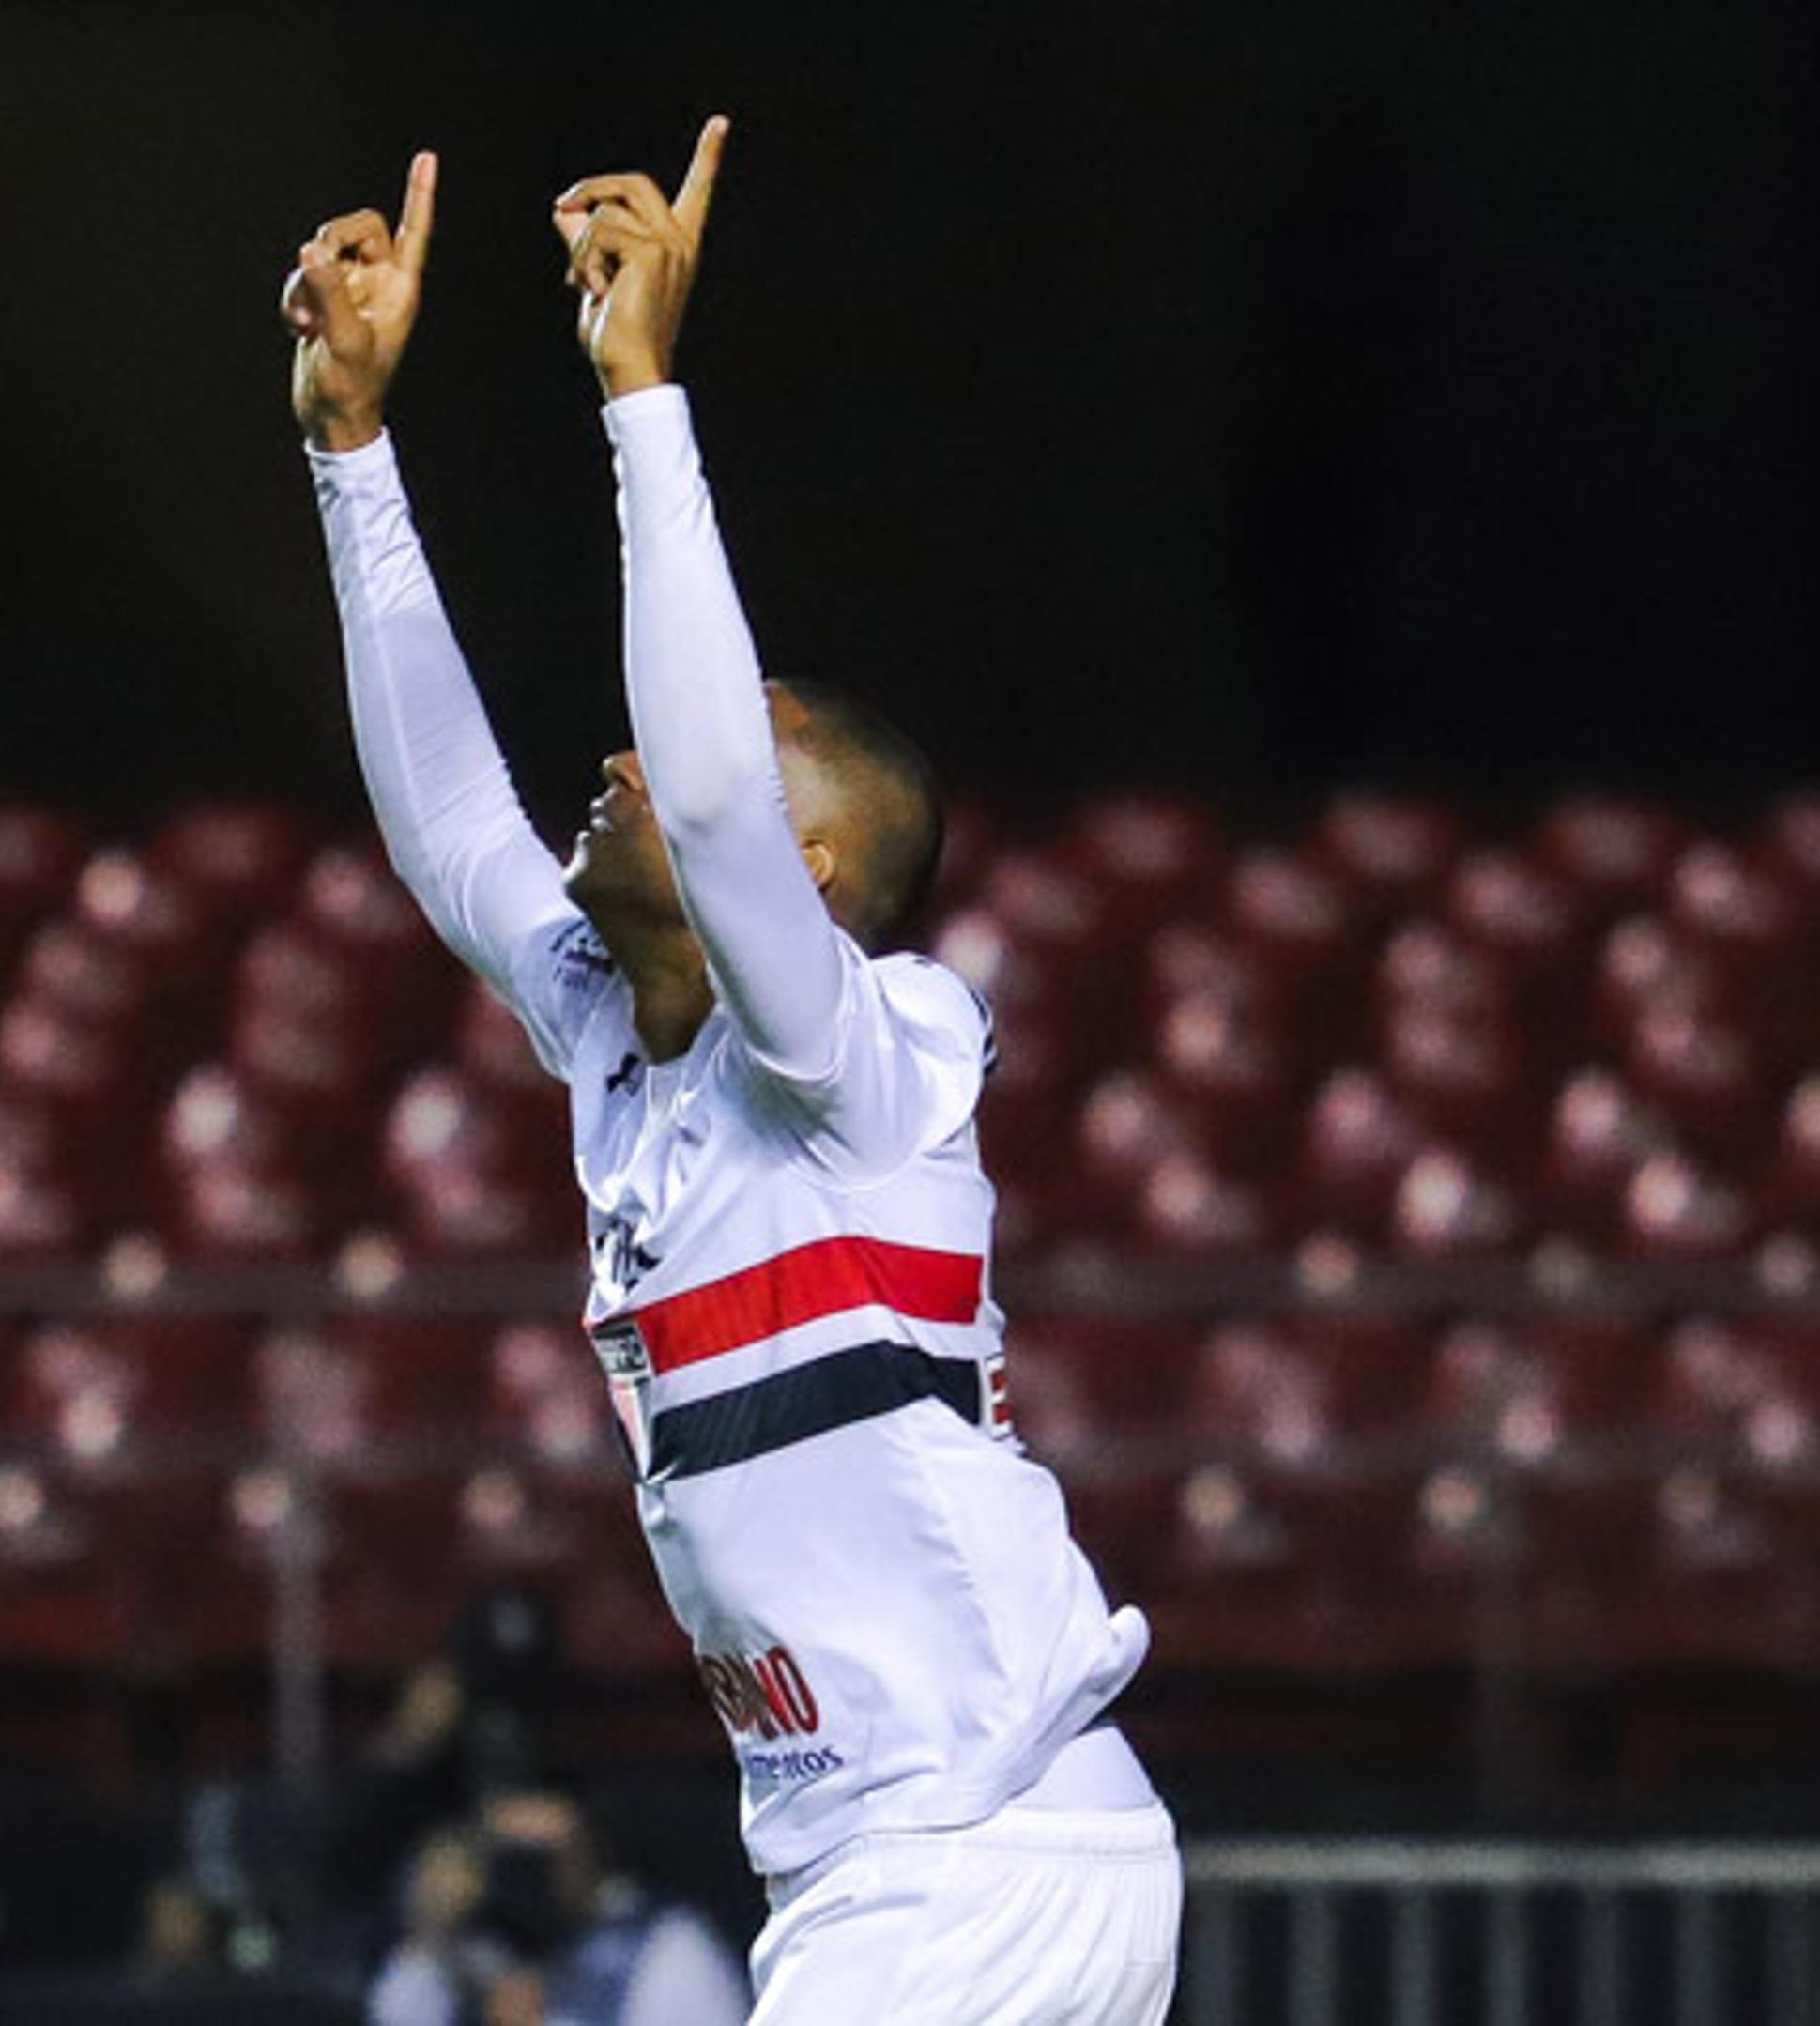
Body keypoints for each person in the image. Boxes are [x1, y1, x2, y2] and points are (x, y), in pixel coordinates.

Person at [287, 131, 1180, 2021]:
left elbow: (702, 792)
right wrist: (351, 453)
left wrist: (643, 397)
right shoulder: (620, 1039)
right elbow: (456, 831)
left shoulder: (871, 1054)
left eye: (736, 734)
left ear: (816, 871)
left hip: (981, 1850)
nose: (626, 751)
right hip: (876, 1864)